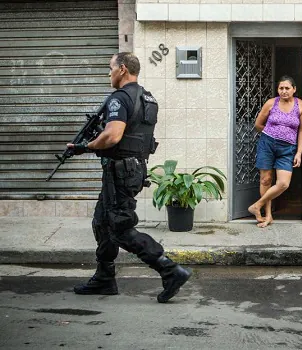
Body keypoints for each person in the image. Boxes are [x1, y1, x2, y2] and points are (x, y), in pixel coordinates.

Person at [67, 52, 192, 303]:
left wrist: (87, 146)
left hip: (120, 171)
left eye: (110, 68)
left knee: (120, 228)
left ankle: (169, 269)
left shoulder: (120, 98)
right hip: (132, 169)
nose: (109, 73)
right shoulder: (148, 98)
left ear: (122, 69)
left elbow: (113, 136)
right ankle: (104, 278)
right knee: (102, 222)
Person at [248, 76, 302, 228]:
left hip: (288, 148)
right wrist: (273, 133)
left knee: (283, 183)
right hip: (267, 143)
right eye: (281, 88)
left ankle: (256, 205)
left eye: (287, 88)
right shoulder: (271, 103)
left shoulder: (300, 106)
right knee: (266, 180)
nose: (284, 91)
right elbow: (258, 124)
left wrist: (299, 152)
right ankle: (268, 215)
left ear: (294, 89)